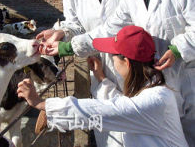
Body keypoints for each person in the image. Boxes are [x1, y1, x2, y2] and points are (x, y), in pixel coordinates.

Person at [40, 0, 195, 146]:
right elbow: (109, 29)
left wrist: (178, 48)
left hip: (183, 83)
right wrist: (68, 46)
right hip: (143, 79)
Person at [19, 26, 189, 147]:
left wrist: (42, 104)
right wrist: (101, 77)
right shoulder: (150, 92)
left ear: (127, 63)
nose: (111, 61)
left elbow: (102, 111)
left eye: (113, 56)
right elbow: (120, 107)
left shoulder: (156, 100)